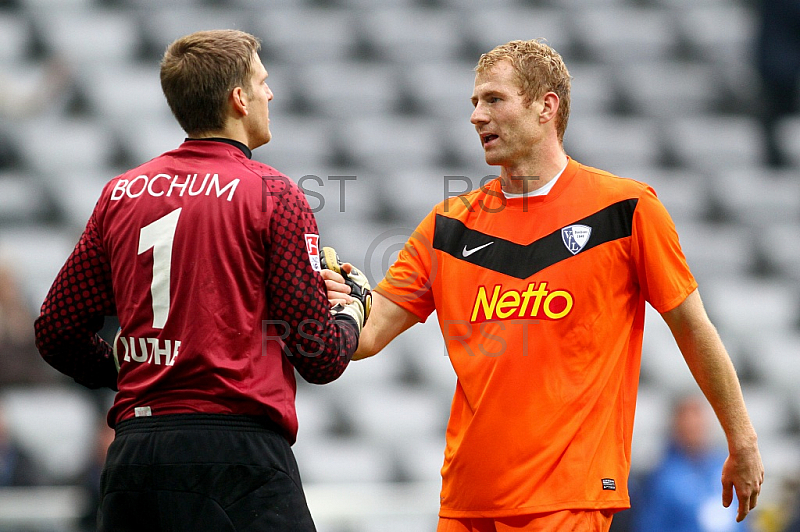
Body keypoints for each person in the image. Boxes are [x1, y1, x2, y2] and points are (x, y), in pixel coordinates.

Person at [323, 39, 764, 531]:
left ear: (545, 107)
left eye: (493, 99)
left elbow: (692, 326)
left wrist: (741, 438)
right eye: (473, 103)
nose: (476, 116)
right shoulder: (449, 225)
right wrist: (344, 299)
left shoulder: (627, 210)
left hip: (567, 497)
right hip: (467, 500)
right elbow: (367, 334)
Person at [34, 29, 367, 532]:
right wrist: (349, 311)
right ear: (238, 99)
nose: (269, 94)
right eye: (262, 81)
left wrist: (130, 373)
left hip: (136, 455)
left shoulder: (121, 193)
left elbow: (56, 330)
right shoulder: (272, 193)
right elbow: (319, 357)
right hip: (237, 458)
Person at [631, 395, 748, 532]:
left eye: (698, 419)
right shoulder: (661, 478)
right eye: (688, 422)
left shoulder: (727, 466)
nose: (694, 426)